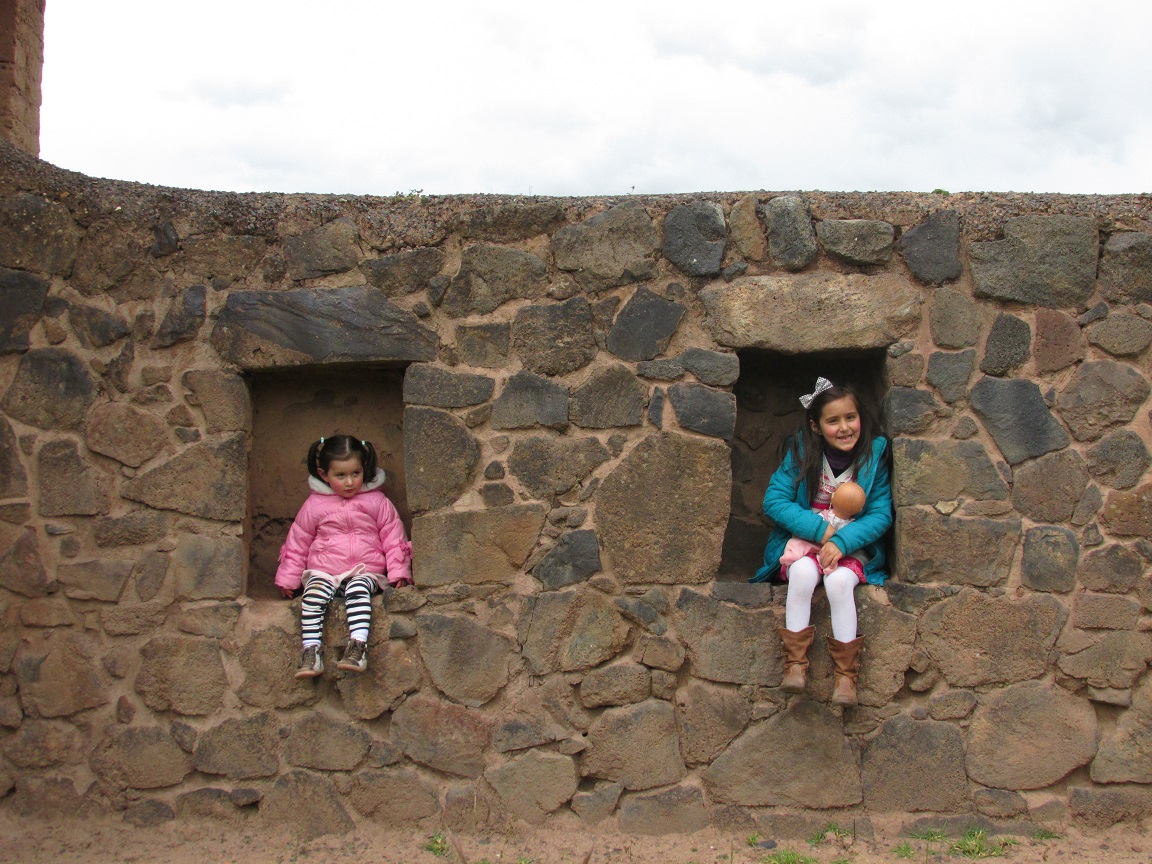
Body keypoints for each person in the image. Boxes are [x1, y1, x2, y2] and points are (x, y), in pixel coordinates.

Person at [751, 377, 893, 705]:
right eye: (833, 421)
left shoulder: (873, 456)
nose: (844, 427)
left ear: (861, 418)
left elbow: (881, 515)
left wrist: (841, 542)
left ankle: (846, 678)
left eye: (850, 418)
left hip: (852, 544)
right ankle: (795, 665)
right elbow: (774, 501)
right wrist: (821, 532)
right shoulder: (802, 452)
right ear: (816, 426)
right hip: (810, 538)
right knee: (801, 574)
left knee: (840, 583)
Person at [275, 435, 413, 679]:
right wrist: (289, 579)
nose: (350, 482)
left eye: (356, 473)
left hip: (366, 571)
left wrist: (398, 571)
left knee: (358, 590)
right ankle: (311, 652)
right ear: (323, 474)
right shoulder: (314, 505)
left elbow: (394, 536)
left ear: (365, 469)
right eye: (341, 476)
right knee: (313, 595)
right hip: (325, 572)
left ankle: (358, 647)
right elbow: (298, 541)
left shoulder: (377, 501)